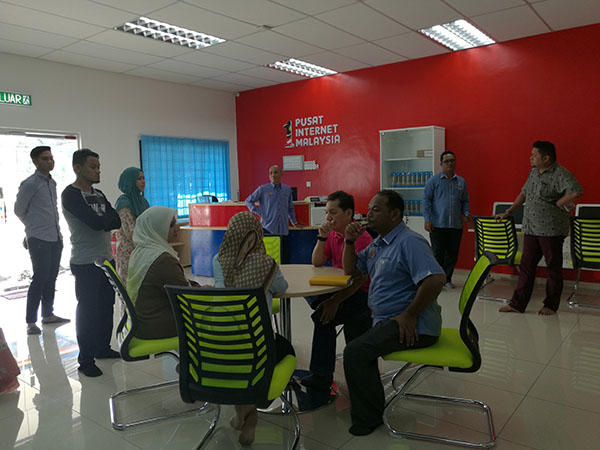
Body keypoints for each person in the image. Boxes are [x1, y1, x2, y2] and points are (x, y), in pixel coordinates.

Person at [342, 190, 445, 436]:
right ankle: (368, 392)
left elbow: (436, 279)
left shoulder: (410, 242)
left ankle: (368, 418)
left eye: (376, 210)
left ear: (395, 214)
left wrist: (410, 315)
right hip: (385, 318)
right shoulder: (379, 243)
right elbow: (351, 270)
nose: (369, 214)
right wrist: (349, 242)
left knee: (355, 352)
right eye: (369, 209)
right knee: (352, 324)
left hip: (413, 324)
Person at [212, 211, 295, 446]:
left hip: (221, 345)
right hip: (258, 348)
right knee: (284, 347)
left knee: (240, 357)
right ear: (258, 234)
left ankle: (244, 414)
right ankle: (252, 413)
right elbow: (282, 287)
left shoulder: (218, 260)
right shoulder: (265, 263)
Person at [496, 141, 583, 316]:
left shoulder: (560, 173)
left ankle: (550, 305)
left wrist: (559, 202)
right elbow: (524, 193)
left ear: (546, 158)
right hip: (531, 227)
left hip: (551, 230)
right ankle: (517, 304)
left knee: (552, 268)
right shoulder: (533, 173)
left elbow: (576, 191)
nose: (531, 158)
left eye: (534, 155)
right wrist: (509, 211)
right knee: (526, 266)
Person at [301, 191, 372, 392]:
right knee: (307, 289)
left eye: (333, 212)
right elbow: (317, 262)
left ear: (348, 214)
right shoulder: (333, 234)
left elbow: (360, 279)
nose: (328, 218)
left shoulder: (361, 239)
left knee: (323, 318)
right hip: (339, 287)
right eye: (326, 213)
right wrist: (322, 237)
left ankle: (322, 376)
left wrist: (334, 302)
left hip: (360, 293)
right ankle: (324, 306)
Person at [62, 149, 122, 377]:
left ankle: (102, 348)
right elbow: (94, 223)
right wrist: (104, 220)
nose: (98, 171)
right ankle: (85, 360)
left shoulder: (99, 193)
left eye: (99, 167)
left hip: (106, 259)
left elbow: (115, 220)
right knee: (87, 311)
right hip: (85, 261)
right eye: (92, 167)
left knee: (106, 306)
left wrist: (103, 220)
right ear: (77, 167)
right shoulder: (70, 195)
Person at [14, 146, 70, 334]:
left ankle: (48, 315)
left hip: (55, 236)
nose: (50, 161)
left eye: (51, 158)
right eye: (45, 159)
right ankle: (31, 322)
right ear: (35, 161)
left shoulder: (51, 182)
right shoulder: (30, 183)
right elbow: (19, 210)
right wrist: (32, 227)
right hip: (38, 238)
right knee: (40, 278)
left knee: (52, 277)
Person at [127, 206, 196, 339]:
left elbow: (178, 283)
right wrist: (206, 290)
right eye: (171, 225)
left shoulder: (142, 251)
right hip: (156, 325)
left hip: (142, 319)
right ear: (156, 228)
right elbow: (186, 296)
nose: (176, 228)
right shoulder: (163, 260)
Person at [423, 150, 470, 289]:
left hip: (455, 225)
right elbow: (426, 201)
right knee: (437, 254)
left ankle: (447, 279)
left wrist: (466, 213)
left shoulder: (461, 182)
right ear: (441, 164)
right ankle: (436, 280)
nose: (450, 163)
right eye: (446, 161)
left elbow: (465, 200)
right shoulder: (433, 181)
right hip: (437, 224)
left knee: (452, 254)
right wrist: (427, 219)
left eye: (452, 161)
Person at [245, 165, 299, 262]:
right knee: (268, 259)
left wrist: (294, 222)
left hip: (283, 230)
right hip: (268, 229)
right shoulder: (262, 189)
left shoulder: (287, 190)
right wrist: (259, 212)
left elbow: (290, 208)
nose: (273, 175)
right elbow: (248, 201)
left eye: (276, 172)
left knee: (284, 259)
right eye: (271, 173)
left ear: (281, 174)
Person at [115, 167, 150, 284]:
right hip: (129, 251)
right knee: (130, 286)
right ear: (130, 181)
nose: (143, 181)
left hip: (143, 249)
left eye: (143, 178)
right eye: (139, 179)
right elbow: (131, 232)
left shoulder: (143, 201)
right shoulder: (124, 203)